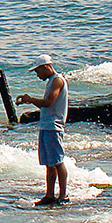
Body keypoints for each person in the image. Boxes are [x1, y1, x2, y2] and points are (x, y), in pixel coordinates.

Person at [15, 55, 68, 206]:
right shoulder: (51, 82)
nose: (37, 75)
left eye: (38, 71)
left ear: (46, 67)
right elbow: (47, 105)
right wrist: (30, 101)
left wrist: (30, 99)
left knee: (57, 162)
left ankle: (63, 195)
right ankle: (50, 195)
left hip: (53, 126)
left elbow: (49, 102)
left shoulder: (57, 80)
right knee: (49, 163)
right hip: (46, 125)